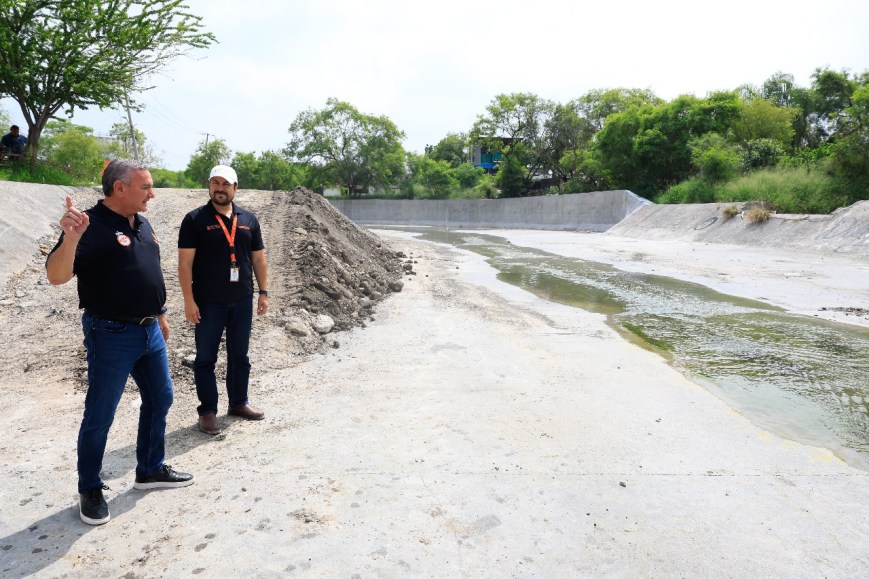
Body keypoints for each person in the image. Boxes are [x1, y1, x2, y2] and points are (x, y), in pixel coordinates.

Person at [46, 159, 194, 526]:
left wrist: (160, 312)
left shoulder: (141, 222)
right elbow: (56, 276)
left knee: (161, 397)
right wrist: (71, 238)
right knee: (101, 414)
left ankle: (149, 469)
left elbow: (148, 270)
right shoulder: (89, 226)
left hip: (149, 331)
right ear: (119, 188)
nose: (152, 194)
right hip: (110, 334)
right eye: (145, 187)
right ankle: (90, 488)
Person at [178, 164, 269, 435]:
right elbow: (184, 265)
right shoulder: (194, 220)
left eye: (225, 184)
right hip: (208, 303)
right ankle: (207, 411)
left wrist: (263, 292)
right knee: (205, 358)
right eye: (215, 183)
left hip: (242, 299)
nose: (219, 188)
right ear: (209, 186)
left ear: (235, 188)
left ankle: (238, 403)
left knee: (239, 355)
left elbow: (258, 259)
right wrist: (188, 300)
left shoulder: (249, 219)